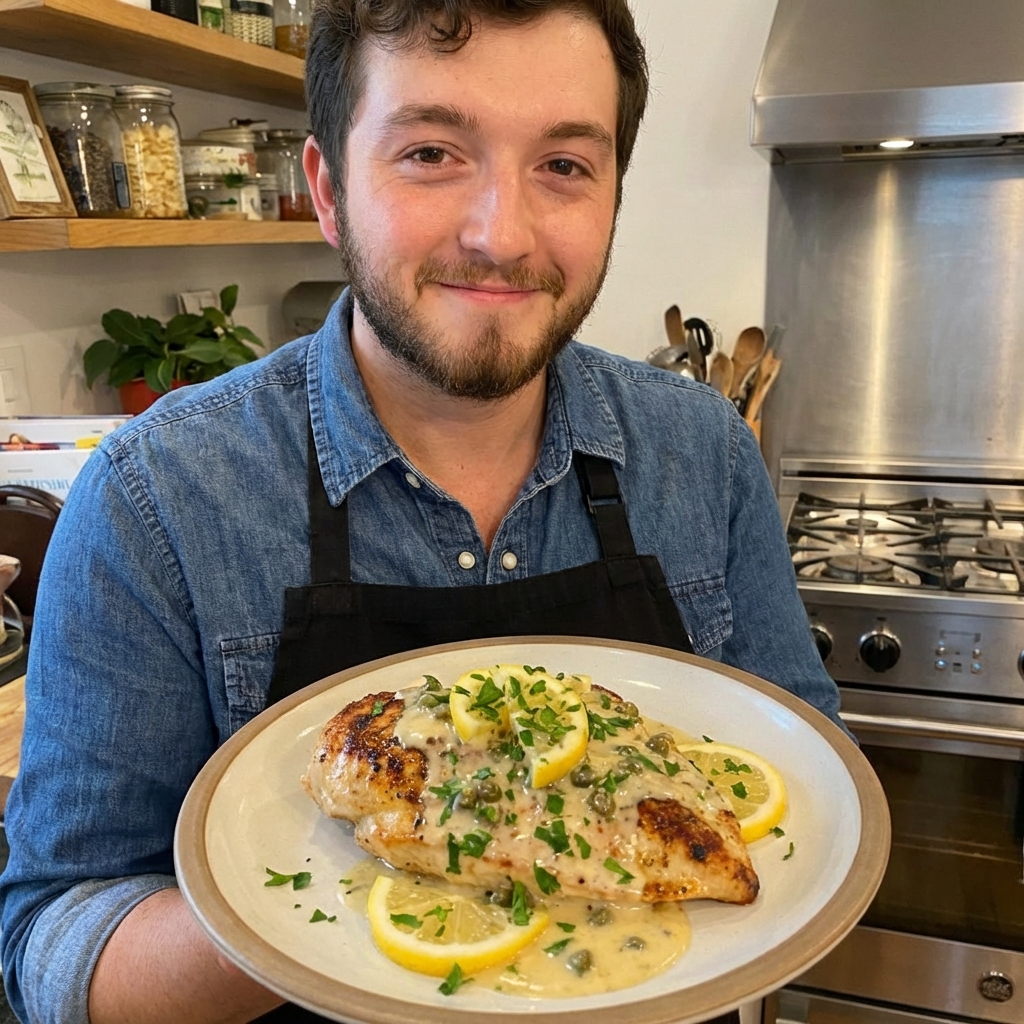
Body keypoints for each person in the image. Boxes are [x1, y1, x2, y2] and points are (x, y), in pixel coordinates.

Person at [0, 1, 842, 1022]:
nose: (501, 232)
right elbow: (53, 947)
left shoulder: (706, 453)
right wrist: (375, 879)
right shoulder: (155, 497)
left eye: (565, 166)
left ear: (614, 193)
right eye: (433, 151)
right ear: (326, 187)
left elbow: (809, 806)